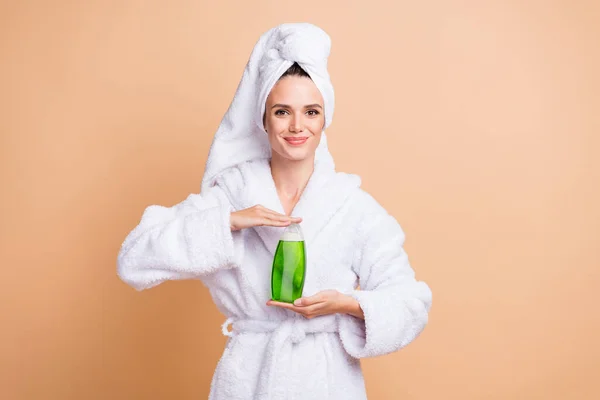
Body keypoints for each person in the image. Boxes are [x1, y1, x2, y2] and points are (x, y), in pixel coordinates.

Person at [117, 22, 432, 400]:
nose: (297, 126)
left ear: (324, 119)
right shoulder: (231, 195)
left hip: (327, 382)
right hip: (248, 380)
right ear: (263, 120)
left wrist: (347, 304)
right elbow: (134, 259)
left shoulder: (353, 207)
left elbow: (410, 302)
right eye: (282, 112)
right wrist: (229, 223)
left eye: (311, 112)